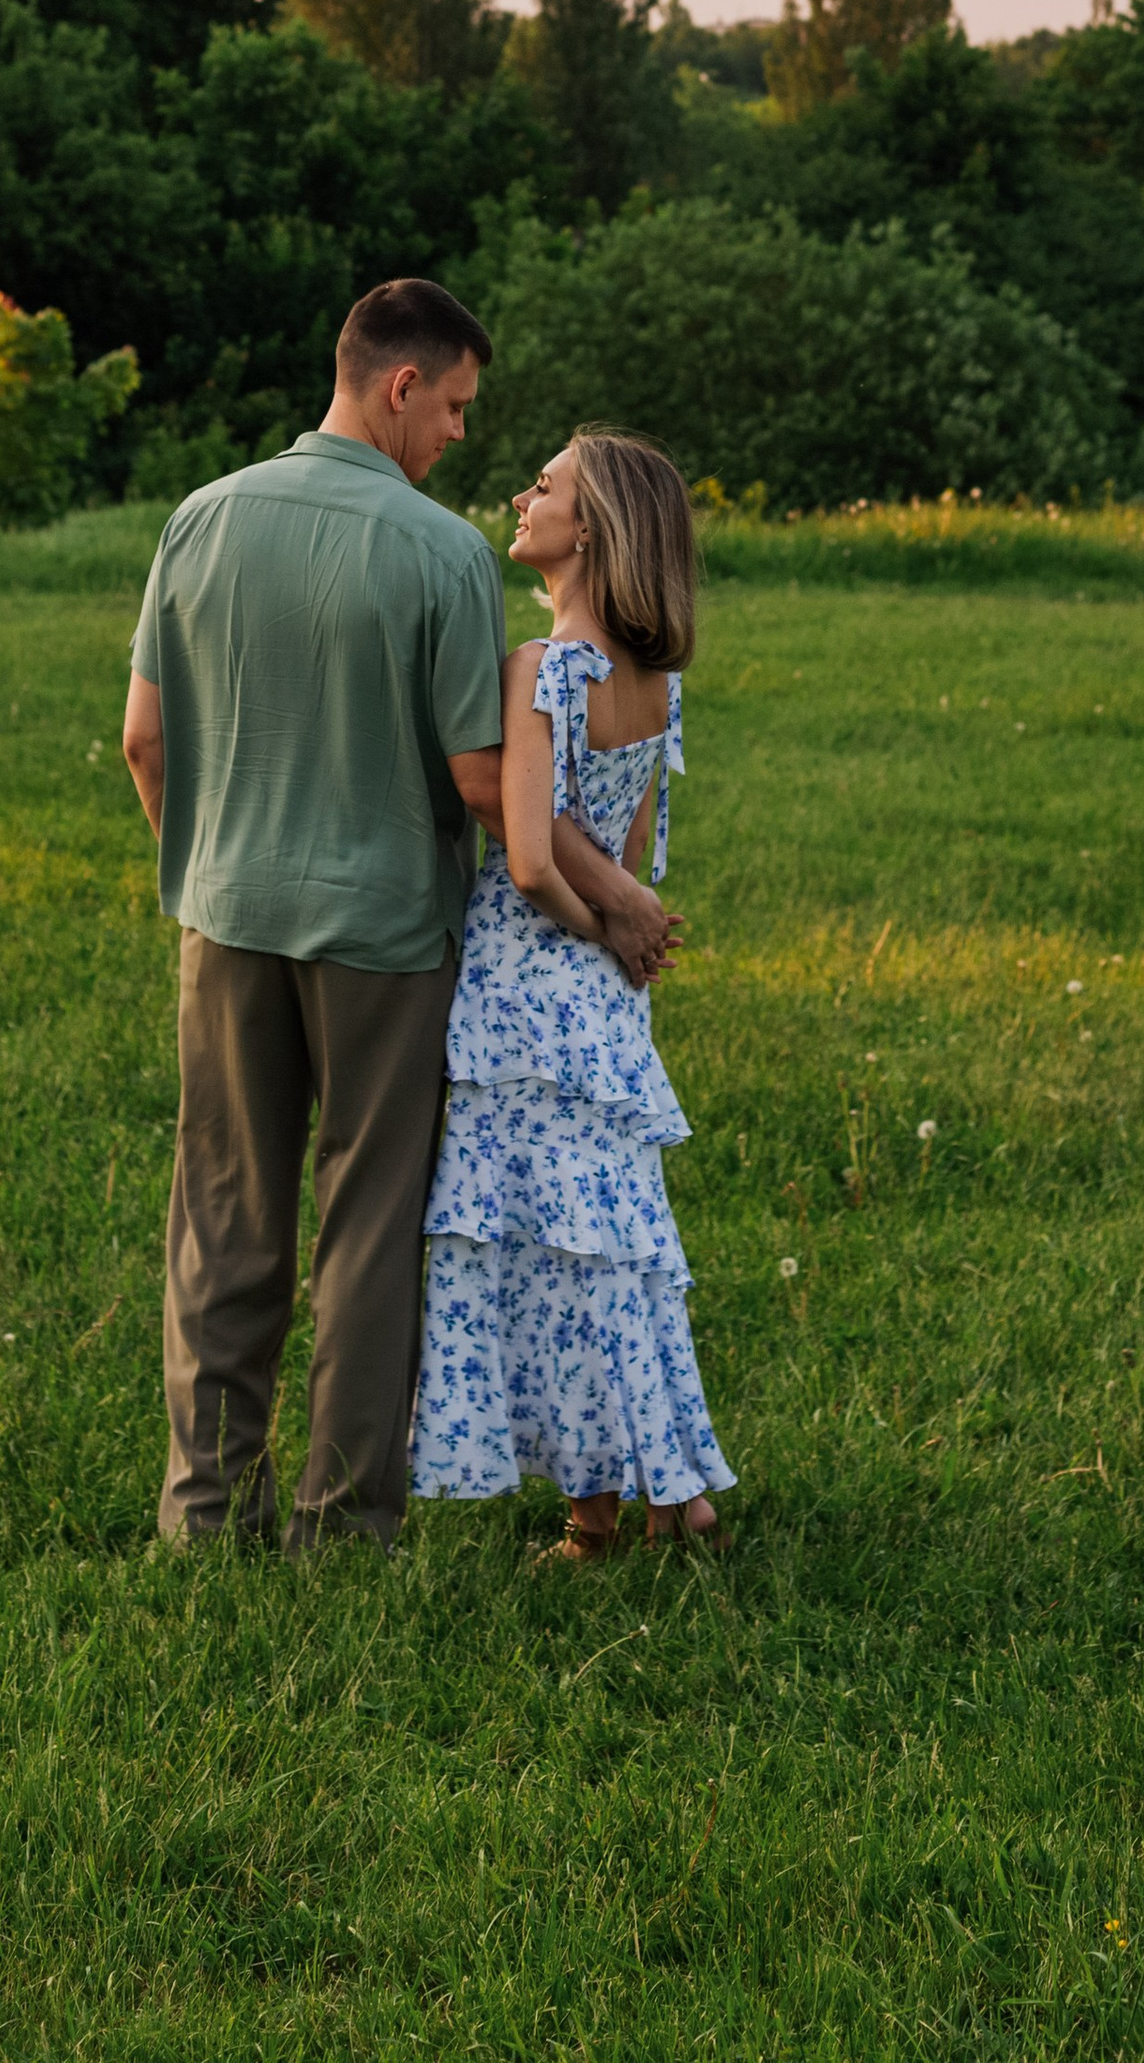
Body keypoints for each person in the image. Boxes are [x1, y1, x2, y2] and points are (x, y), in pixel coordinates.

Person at [121, 283, 676, 1550]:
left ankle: (203, 1515)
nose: (463, 441)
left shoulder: (199, 519)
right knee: (366, 1227)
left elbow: (146, 741)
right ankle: (342, 1522)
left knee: (223, 1215)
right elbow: (488, 788)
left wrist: (214, 865)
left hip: (226, 922)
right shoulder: (438, 555)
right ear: (401, 386)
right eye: (460, 410)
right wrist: (616, 900)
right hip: (385, 943)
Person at [409, 430, 734, 1558]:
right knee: (617, 1245)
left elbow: (538, 857)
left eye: (541, 487)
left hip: (517, 997)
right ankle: (659, 1492)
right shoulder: (652, 681)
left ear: (586, 527)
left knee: (543, 1254)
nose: (519, 497)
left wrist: (590, 924)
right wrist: (623, 939)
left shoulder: (541, 670)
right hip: (601, 1002)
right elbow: (631, 851)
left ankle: (611, 1513)